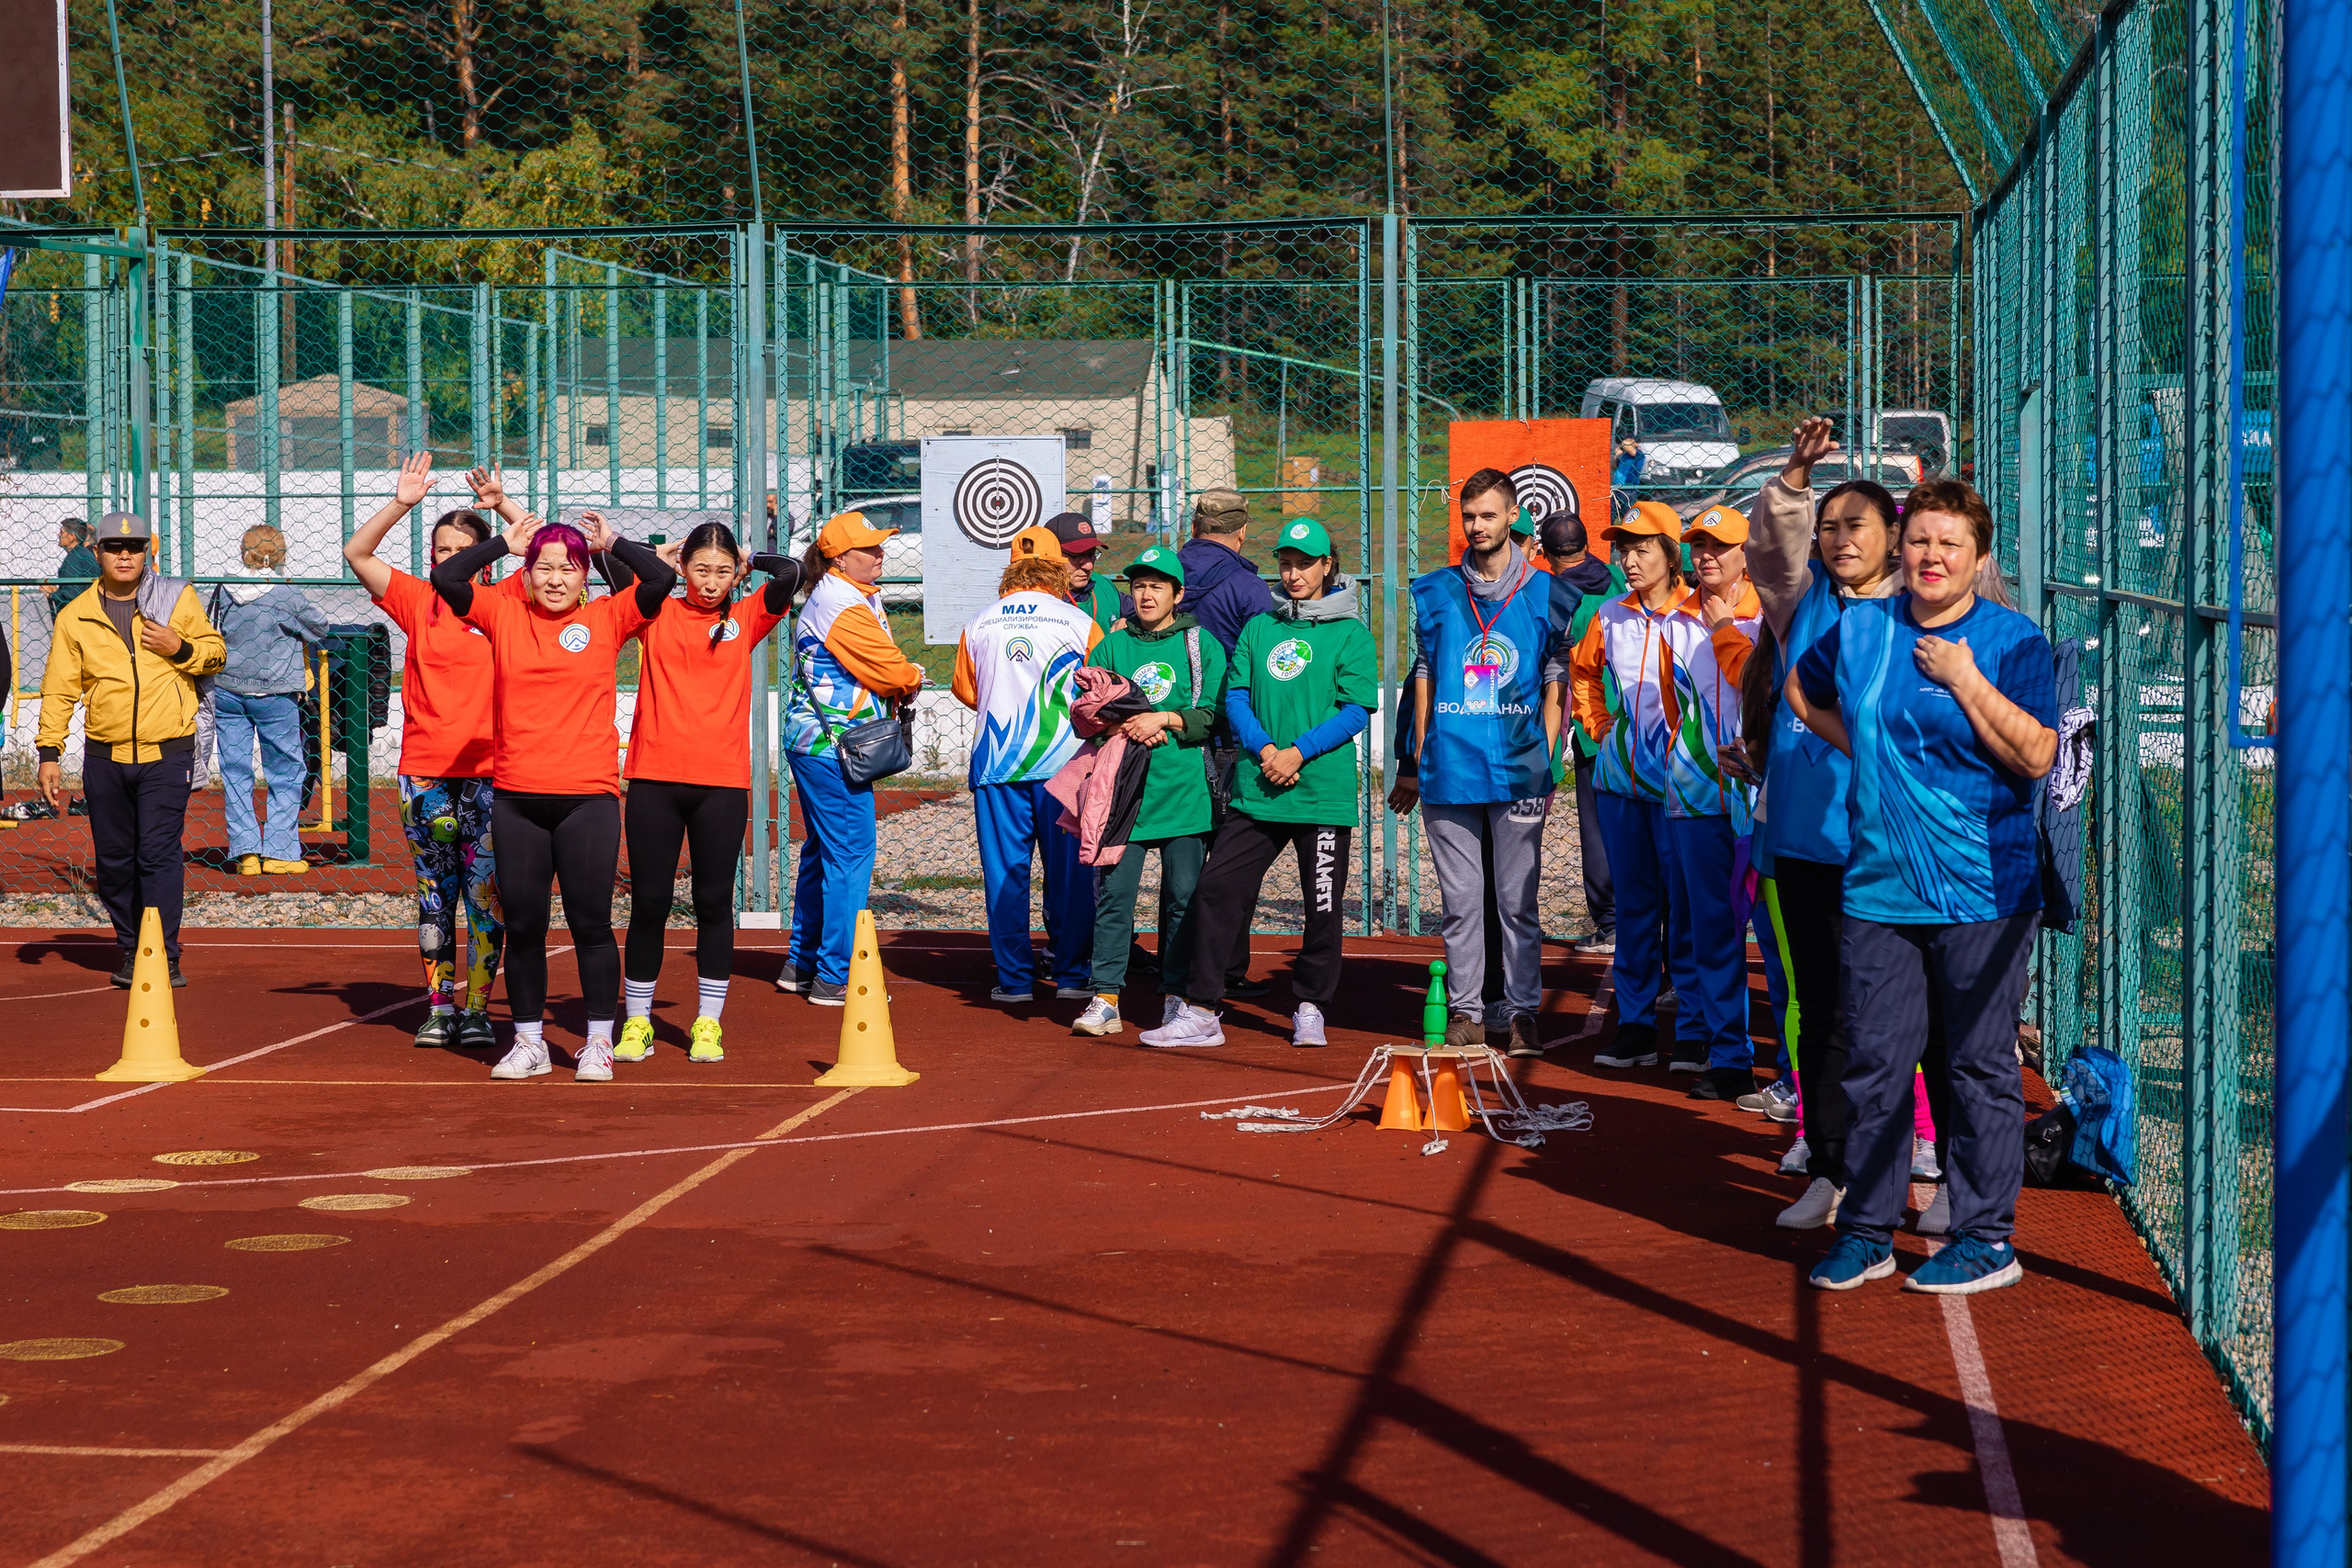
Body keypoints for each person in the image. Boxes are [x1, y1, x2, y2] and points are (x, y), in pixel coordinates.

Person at [1787, 477, 2057, 1295]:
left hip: (1983, 892)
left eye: (1950, 544)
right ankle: (1868, 1230)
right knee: (1874, 1060)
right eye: (1920, 541)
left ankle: (1985, 1236)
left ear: (1978, 560)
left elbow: (2038, 755)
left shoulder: (2014, 641)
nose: (1931, 556)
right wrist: (1863, 754)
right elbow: (1802, 688)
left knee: (1976, 1067)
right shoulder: (1864, 627)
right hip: (1877, 888)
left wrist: (1967, 680)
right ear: (1900, 551)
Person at [431, 510, 675, 1082]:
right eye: (544, 567)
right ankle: (529, 1043)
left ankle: (597, 1043)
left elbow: (660, 583)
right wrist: (501, 544)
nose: (555, 578)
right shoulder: (503, 612)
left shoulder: (608, 617)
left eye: (568, 568)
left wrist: (613, 541)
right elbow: (448, 582)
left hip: (586, 797)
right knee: (525, 926)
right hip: (516, 796)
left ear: (585, 576)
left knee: (591, 923)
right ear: (528, 572)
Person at [1742, 418, 1907, 1228]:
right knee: (1820, 1002)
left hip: (1882, 845)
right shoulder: (1798, 601)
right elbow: (1770, 551)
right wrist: (1797, 478)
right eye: (1830, 526)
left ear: (1895, 537)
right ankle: (1832, 1166)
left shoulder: (1920, 613)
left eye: (1858, 526)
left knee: (1884, 1010)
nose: (1841, 539)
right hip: (1805, 842)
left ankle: (1903, 1157)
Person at [1145, 517, 1376, 1048]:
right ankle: (1203, 1009)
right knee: (1217, 890)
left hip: (1320, 794)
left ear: (1327, 567)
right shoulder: (1259, 627)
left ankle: (1311, 1006)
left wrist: (1298, 752)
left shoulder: (1351, 634)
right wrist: (1269, 751)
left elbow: (1358, 707)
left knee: (1321, 907)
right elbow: (1236, 695)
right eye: (1286, 564)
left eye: (1304, 564)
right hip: (1258, 786)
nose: (1293, 574)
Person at [344, 454, 518, 1050]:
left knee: (484, 895)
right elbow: (357, 554)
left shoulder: (507, 602)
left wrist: (502, 507)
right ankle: (438, 1006)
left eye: (458, 549)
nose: (447, 559)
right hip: (425, 775)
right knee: (433, 895)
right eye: (440, 550)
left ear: (485, 557)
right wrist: (402, 503)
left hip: (490, 775)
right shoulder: (418, 601)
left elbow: (549, 549)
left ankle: (478, 1008)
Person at [611, 523, 803, 1062]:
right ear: (683, 569)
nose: (712, 581)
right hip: (654, 777)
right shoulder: (655, 610)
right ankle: (638, 1024)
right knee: (649, 903)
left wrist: (749, 557)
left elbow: (792, 572)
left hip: (721, 784)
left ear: (735, 573)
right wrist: (657, 557)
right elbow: (615, 568)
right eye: (701, 569)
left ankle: (707, 1024)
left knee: (714, 902)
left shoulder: (746, 616)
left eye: (722, 571)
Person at [1397, 469, 1565, 1055]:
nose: (1477, 527)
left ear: (1514, 515)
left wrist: (1544, 758)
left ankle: (1521, 1014)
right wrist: (1417, 757)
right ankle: (1468, 1013)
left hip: (1519, 772)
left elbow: (1555, 683)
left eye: (1489, 515)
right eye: (1469, 516)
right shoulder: (1434, 590)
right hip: (1451, 770)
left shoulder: (1547, 592)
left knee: (1517, 904)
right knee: (1461, 905)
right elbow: (1421, 677)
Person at [36, 513, 224, 987]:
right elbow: (60, 688)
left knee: (157, 854)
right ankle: (129, 945)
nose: (126, 555)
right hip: (106, 755)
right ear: (95, 552)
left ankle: (164, 952)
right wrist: (49, 752)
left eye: (136, 547)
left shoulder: (176, 597)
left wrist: (179, 647)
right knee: (115, 860)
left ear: (149, 551)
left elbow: (216, 652)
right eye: (115, 547)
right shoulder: (76, 614)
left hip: (168, 752)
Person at [1072, 545, 1226, 1038]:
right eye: (1138, 585)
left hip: (1185, 794)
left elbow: (1213, 716)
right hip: (1123, 794)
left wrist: (1167, 717)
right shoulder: (1113, 647)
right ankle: (1107, 997)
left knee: (1183, 897)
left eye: (1157, 585)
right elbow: (1086, 712)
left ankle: (1176, 995)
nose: (1146, 594)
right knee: (1116, 895)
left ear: (1178, 594)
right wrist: (1123, 728)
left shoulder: (1202, 646)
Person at [779, 510, 926, 1004]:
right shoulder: (842, 601)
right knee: (851, 854)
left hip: (818, 742)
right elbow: (889, 671)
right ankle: (834, 975)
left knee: (824, 852)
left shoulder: (845, 594)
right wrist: (912, 677)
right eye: (870, 548)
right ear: (840, 557)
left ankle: (803, 962)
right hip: (832, 746)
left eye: (880, 545)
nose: (880, 554)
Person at [1573, 501, 1701, 1071]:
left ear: (1673, 556)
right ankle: (1636, 1027)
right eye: (1624, 549)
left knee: (1692, 910)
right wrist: (1599, 728)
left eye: (1642, 548)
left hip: (1688, 789)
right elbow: (1581, 673)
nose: (1628, 560)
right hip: (1622, 784)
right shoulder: (1610, 616)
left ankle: (1697, 1034)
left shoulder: (1703, 614)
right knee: (1635, 910)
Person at [954, 525, 1102, 1004]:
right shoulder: (1078, 621)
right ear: (1058, 566)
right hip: (1064, 765)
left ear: (1011, 565)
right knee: (1071, 875)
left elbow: (967, 691)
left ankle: (1015, 981)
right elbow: (1100, 687)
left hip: (998, 765)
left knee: (1006, 876)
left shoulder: (980, 621)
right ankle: (1074, 975)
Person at [1662, 503, 1766, 1100]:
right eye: (1698, 545)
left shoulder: (1767, 612)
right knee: (1711, 927)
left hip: (1760, 791)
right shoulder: (1675, 619)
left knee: (1774, 938)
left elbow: (1757, 685)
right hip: (1698, 792)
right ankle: (1729, 1055)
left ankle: (1794, 1073)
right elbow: (1676, 708)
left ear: (1746, 553)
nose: (1705, 555)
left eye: (1719, 546)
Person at [1177, 490, 1282, 999]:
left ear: (1195, 526)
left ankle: (1175, 963)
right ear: (1241, 531)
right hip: (1229, 738)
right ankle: (1227, 968)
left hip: (1169, 733)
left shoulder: (1160, 579)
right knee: (1233, 860)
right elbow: (1266, 665)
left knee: (1180, 854)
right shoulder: (1248, 586)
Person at [209, 524, 331, 877]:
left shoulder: (224, 587)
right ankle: (280, 850)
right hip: (275, 693)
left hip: (228, 690)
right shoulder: (283, 593)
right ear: (280, 555)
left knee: (235, 771)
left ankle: (246, 851)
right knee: (287, 771)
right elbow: (319, 627)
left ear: (242, 551)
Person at [1543, 510, 1625, 955]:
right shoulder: (1616, 576)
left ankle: (1612, 924)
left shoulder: (1555, 595)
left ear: (1547, 553)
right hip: (1643, 721)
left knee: (1597, 830)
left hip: (1595, 724)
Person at [1047, 511, 1124, 631]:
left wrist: (1128, 622)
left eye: (1091, 555)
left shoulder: (1102, 585)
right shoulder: (1038, 600)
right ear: (1051, 555)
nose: (1088, 566)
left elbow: (1143, 614)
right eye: (1077, 556)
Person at [50, 517, 97, 620]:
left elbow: (70, 598)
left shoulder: (73, 561)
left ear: (72, 537)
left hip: (78, 619)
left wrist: (52, 593)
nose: (58, 535)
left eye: (61, 532)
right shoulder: (84, 554)